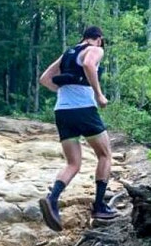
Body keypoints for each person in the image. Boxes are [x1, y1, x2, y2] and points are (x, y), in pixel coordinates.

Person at [37, 26, 118, 232]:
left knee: (73, 163)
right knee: (105, 155)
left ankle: (52, 199)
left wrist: (66, 90)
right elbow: (90, 65)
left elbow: (45, 79)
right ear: (98, 39)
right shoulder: (95, 49)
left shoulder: (68, 53)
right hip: (84, 110)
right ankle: (99, 206)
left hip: (62, 111)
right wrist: (99, 95)